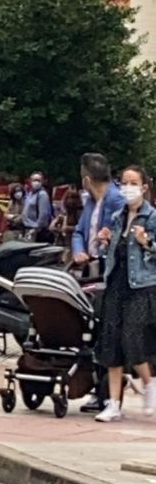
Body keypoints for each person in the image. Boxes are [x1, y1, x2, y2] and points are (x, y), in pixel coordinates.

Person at [95, 165, 156, 422]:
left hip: (140, 286)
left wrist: (146, 242)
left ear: (144, 187)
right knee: (111, 342)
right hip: (115, 283)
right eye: (124, 183)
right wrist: (105, 241)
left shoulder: (151, 217)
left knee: (132, 338)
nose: (127, 188)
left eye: (133, 183)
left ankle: (149, 384)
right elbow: (113, 252)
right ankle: (113, 403)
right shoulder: (117, 216)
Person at [72, 153, 125, 271]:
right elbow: (78, 232)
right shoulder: (90, 201)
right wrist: (79, 251)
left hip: (111, 267)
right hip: (91, 264)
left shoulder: (117, 198)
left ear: (86, 180)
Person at [21, 172, 53, 240]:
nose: (36, 182)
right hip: (27, 229)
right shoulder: (30, 194)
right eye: (34, 180)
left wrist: (37, 228)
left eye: (39, 180)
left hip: (36, 231)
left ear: (42, 182)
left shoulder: (42, 195)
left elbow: (44, 214)